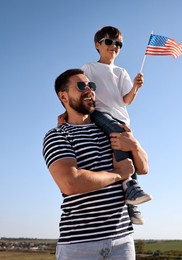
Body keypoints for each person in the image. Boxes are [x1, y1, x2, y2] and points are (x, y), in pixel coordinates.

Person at [43, 68, 149, 259]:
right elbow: (70, 183)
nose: (89, 90)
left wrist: (134, 145)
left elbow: (143, 168)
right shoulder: (57, 135)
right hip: (79, 243)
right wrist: (118, 174)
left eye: (91, 85)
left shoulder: (111, 128)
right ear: (63, 96)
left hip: (122, 240)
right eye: (81, 86)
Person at [59, 26, 151, 224]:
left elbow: (126, 100)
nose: (114, 47)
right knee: (119, 138)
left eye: (118, 44)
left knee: (125, 149)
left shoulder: (121, 71)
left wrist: (135, 87)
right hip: (101, 113)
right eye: (109, 42)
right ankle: (130, 186)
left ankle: (131, 206)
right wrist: (67, 113)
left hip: (121, 117)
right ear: (97, 45)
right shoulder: (90, 68)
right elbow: (81, 92)